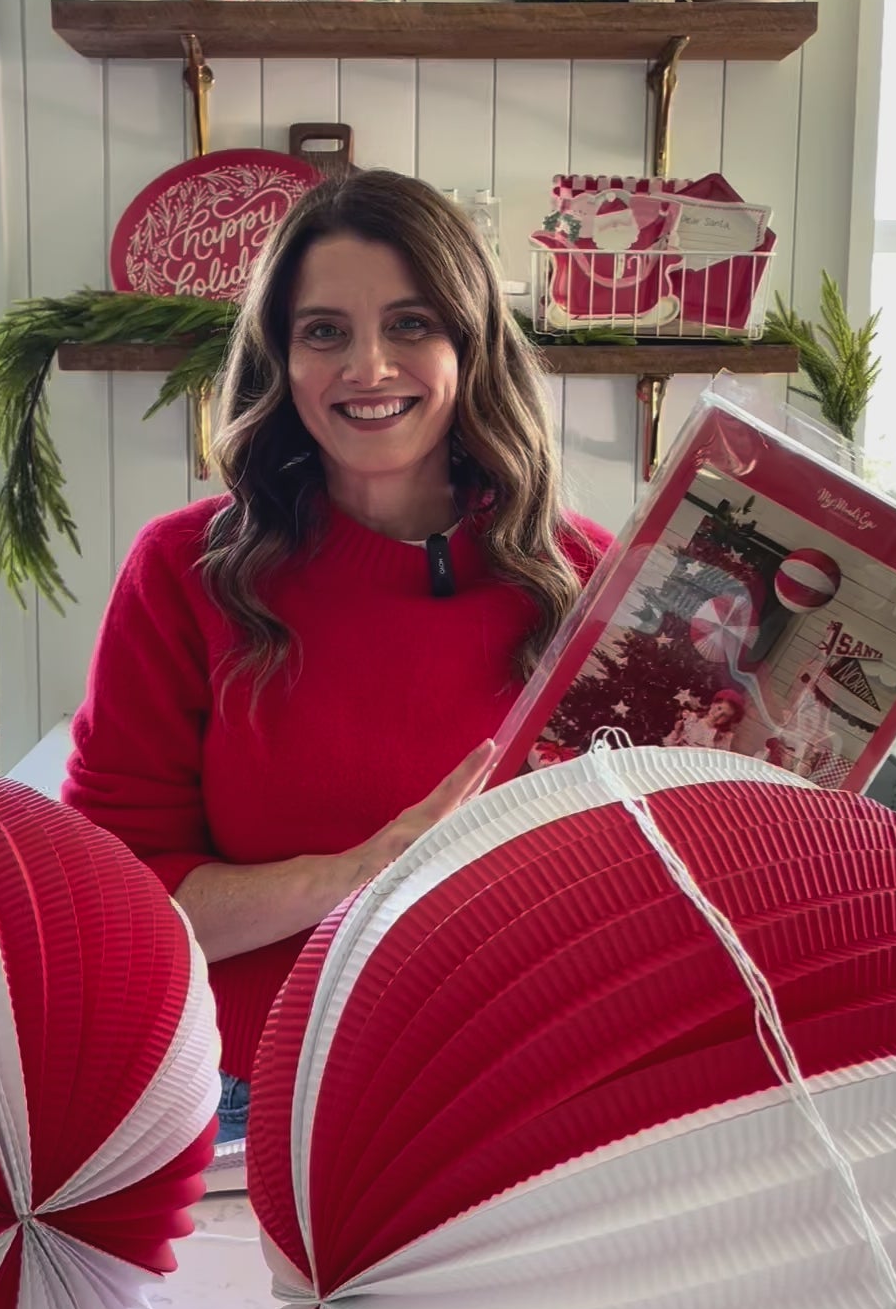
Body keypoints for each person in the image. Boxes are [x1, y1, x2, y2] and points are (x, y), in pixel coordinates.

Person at [63, 170, 610, 1141]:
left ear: (471, 347)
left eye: (411, 324)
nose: (367, 366)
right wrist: (368, 869)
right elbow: (115, 902)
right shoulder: (185, 573)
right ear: (280, 360)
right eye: (324, 331)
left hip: (520, 1098)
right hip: (247, 1102)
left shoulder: (587, 580)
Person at [663, 688, 746, 751]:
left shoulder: (724, 737)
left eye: (724, 715)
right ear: (713, 704)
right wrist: (677, 732)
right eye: (719, 708)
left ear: (729, 720)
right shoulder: (693, 719)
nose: (718, 715)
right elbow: (668, 745)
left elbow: (720, 760)